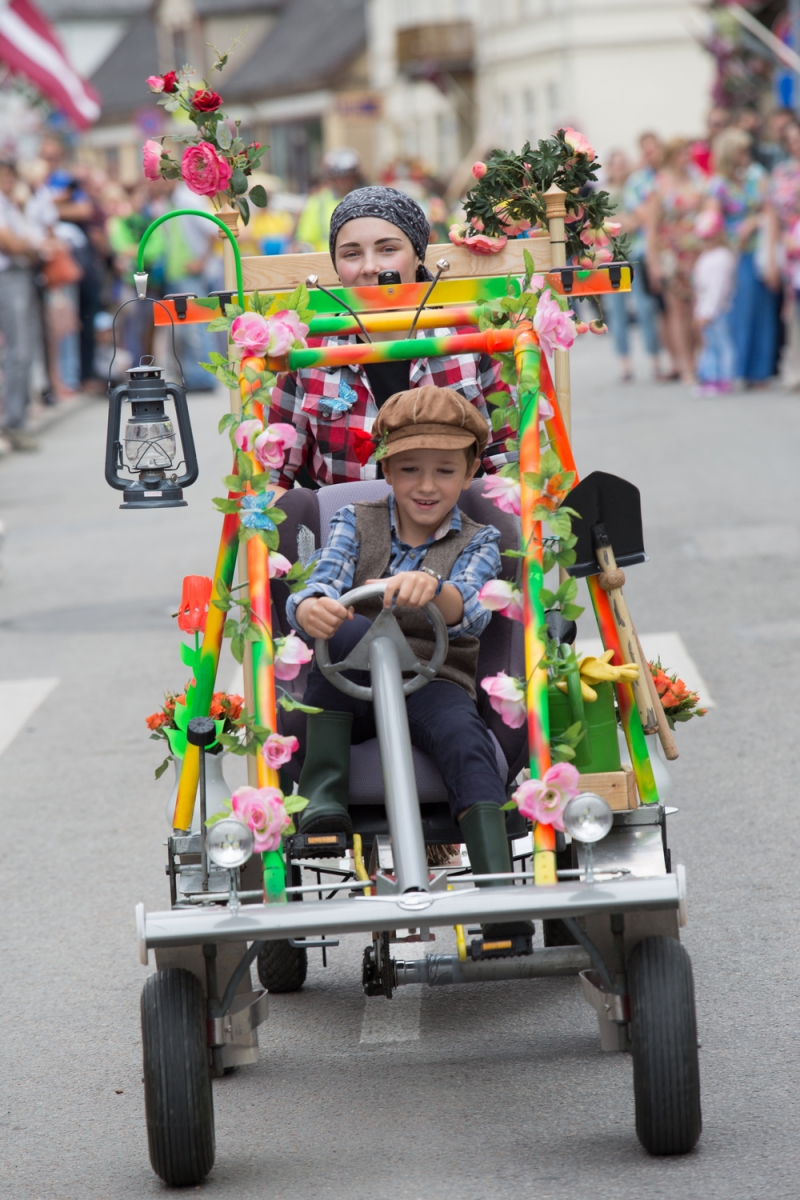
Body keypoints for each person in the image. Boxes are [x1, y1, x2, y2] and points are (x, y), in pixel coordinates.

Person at [289, 385, 529, 947]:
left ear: (470, 470)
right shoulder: (355, 520)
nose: (426, 486)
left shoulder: (482, 538)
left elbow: (471, 612)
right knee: (331, 649)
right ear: (387, 470)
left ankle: (498, 896)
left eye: (445, 471)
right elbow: (325, 575)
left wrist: (434, 590)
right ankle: (323, 807)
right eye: (410, 469)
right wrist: (309, 604)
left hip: (433, 679)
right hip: (351, 679)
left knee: (465, 739)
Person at [266, 186, 515, 491]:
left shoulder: (474, 340)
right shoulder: (307, 352)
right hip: (342, 532)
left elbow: (509, 464)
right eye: (352, 254)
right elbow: (272, 476)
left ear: (418, 256)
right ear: (336, 268)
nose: (371, 267)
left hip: (460, 530)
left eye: (388, 250)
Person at [707, 126, 779, 386]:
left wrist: (755, 225)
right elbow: (713, 220)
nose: (746, 154)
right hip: (734, 253)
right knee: (740, 309)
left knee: (763, 309)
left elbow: (769, 211)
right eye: (741, 150)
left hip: (758, 250)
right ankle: (738, 368)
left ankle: (761, 371)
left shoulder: (757, 176)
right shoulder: (718, 184)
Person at [0, 160, 54, 450]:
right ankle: (13, 422)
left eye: (11, 177)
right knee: (18, 351)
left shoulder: (12, 204)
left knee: (26, 350)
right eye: (4, 177)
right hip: (8, 277)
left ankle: (17, 418)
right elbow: (9, 243)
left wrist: (31, 246)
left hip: (21, 275)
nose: (8, 182)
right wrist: (34, 248)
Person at [645, 138, 707, 383]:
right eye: (682, 153)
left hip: (697, 253)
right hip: (671, 254)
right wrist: (654, 265)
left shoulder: (697, 180)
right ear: (672, 156)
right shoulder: (659, 186)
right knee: (678, 312)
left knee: (698, 311)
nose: (687, 157)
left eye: (688, 153)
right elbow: (651, 229)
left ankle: (703, 360)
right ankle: (687, 367)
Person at [621, 132, 666, 380]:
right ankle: (655, 360)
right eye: (646, 150)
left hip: (673, 248)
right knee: (646, 307)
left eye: (654, 148)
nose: (651, 154)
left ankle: (666, 359)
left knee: (669, 309)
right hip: (642, 253)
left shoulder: (667, 176)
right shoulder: (637, 181)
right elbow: (641, 217)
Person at [692, 209, 736, 395]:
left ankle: (722, 378)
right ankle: (711, 377)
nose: (707, 242)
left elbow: (717, 290)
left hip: (716, 312)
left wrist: (707, 312)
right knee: (710, 345)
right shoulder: (707, 257)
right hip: (706, 310)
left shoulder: (721, 258)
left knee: (720, 346)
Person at [294, 148, 362, 252]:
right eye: (339, 176)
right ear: (332, 177)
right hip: (325, 263)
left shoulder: (364, 200)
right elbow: (305, 239)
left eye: (348, 176)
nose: (343, 181)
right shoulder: (317, 202)